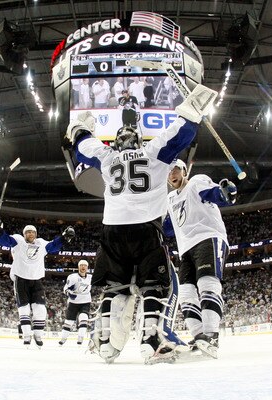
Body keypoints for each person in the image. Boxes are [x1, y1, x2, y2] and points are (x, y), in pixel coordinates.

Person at [65, 83, 217, 363]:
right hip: (146, 229)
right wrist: (191, 110)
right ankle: (151, 341)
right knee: (155, 287)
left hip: (111, 230)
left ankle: (105, 343)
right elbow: (182, 133)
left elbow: (82, 147)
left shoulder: (108, 157)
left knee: (117, 287)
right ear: (138, 141)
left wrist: (80, 128)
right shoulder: (153, 153)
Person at [164, 159, 237, 358]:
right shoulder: (170, 199)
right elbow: (168, 229)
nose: (172, 174)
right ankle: (199, 337)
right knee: (186, 293)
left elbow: (216, 195)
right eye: (169, 171)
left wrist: (225, 192)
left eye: (176, 169)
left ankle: (211, 335)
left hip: (208, 237)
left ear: (185, 171)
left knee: (207, 283)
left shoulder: (197, 182)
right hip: (185, 248)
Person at [0, 218, 75, 348]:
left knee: (40, 309)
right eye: (28, 232)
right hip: (21, 279)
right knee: (24, 309)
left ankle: (38, 335)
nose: (30, 234)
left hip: (36, 280)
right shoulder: (18, 241)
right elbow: (4, 240)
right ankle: (27, 335)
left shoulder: (41, 244)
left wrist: (64, 237)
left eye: (32, 232)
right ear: (24, 234)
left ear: (36, 234)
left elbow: (53, 246)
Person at [59, 259, 92, 346]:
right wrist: (69, 293)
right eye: (81, 265)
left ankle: (80, 338)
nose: (83, 267)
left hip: (85, 301)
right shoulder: (73, 277)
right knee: (69, 322)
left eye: (85, 265)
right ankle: (63, 339)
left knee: (83, 317)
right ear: (78, 267)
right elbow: (65, 288)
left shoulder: (91, 278)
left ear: (87, 267)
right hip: (73, 302)